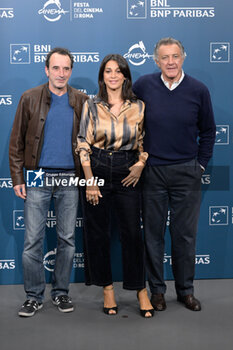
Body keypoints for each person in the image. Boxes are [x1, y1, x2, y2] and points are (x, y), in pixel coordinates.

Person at [133, 38, 216, 312]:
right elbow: (128, 120)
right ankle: (157, 291)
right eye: (165, 57)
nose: (171, 62)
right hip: (152, 172)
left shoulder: (198, 90)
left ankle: (185, 291)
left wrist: (200, 166)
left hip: (186, 172)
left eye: (176, 56)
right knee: (153, 235)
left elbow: (208, 131)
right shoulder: (143, 85)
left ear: (183, 58)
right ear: (156, 61)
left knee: (184, 236)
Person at [9, 47, 88, 317]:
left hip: (70, 177)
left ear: (71, 71)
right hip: (37, 175)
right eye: (56, 68)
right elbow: (16, 141)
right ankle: (33, 296)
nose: (61, 73)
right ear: (46, 70)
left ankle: (61, 293)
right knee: (33, 239)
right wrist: (18, 177)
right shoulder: (29, 97)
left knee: (67, 239)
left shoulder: (81, 100)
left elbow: (88, 141)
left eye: (66, 68)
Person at [77, 54, 154, 318]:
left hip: (127, 171)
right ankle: (107, 288)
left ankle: (139, 289)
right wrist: (89, 182)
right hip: (96, 168)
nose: (112, 75)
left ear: (125, 76)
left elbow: (144, 142)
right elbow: (83, 144)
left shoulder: (139, 106)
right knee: (97, 234)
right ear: (103, 76)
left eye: (117, 71)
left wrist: (140, 164)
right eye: (108, 71)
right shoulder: (91, 104)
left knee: (132, 234)